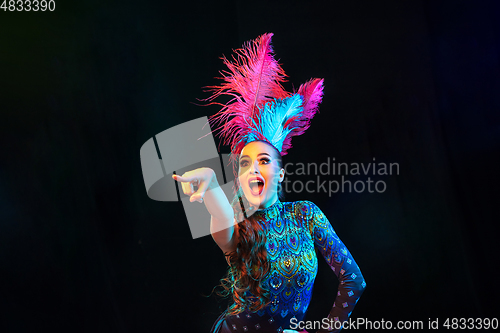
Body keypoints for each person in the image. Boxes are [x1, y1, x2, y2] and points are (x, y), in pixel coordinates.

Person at [172, 33, 366, 333]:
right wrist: (210, 184)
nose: (253, 169)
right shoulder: (237, 224)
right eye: (245, 164)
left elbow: (353, 279)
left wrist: (325, 330)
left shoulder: (305, 214)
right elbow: (220, 215)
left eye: (263, 160)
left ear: (281, 173)